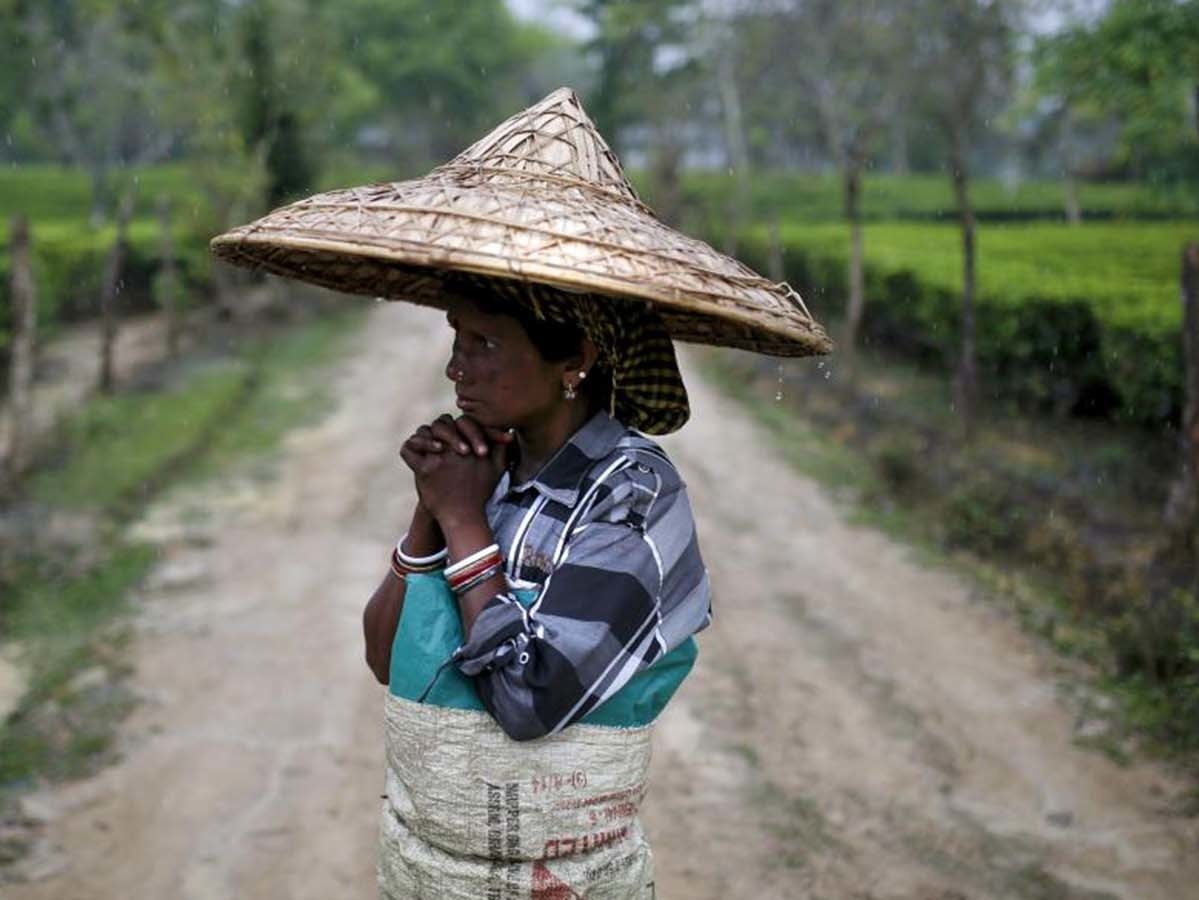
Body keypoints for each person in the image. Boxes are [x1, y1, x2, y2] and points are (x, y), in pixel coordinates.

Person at [211, 87, 831, 899]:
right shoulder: (491, 468)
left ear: (572, 357)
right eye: (455, 340)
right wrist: (431, 509)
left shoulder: (633, 495)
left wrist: (466, 519)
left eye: (485, 344)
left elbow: (530, 699)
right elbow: (383, 658)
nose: (454, 368)